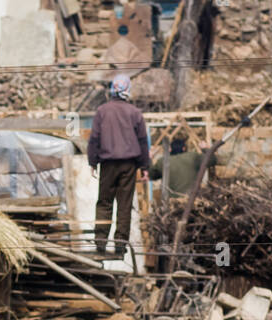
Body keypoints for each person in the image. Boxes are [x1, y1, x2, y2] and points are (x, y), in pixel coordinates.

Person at [88, 74, 150, 255]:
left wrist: (92, 162)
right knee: (124, 204)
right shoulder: (135, 113)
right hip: (129, 165)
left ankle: (100, 242)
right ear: (128, 90)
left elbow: (94, 139)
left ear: (112, 90)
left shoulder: (102, 111)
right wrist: (144, 167)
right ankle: (120, 245)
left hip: (107, 164)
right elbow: (142, 141)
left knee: (104, 202)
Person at [149, 136, 216, 198]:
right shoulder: (193, 157)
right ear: (184, 148)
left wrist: (149, 159)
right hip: (192, 201)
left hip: (171, 203)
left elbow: (151, 175)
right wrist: (205, 149)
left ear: (170, 149)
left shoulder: (162, 161)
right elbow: (213, 160)